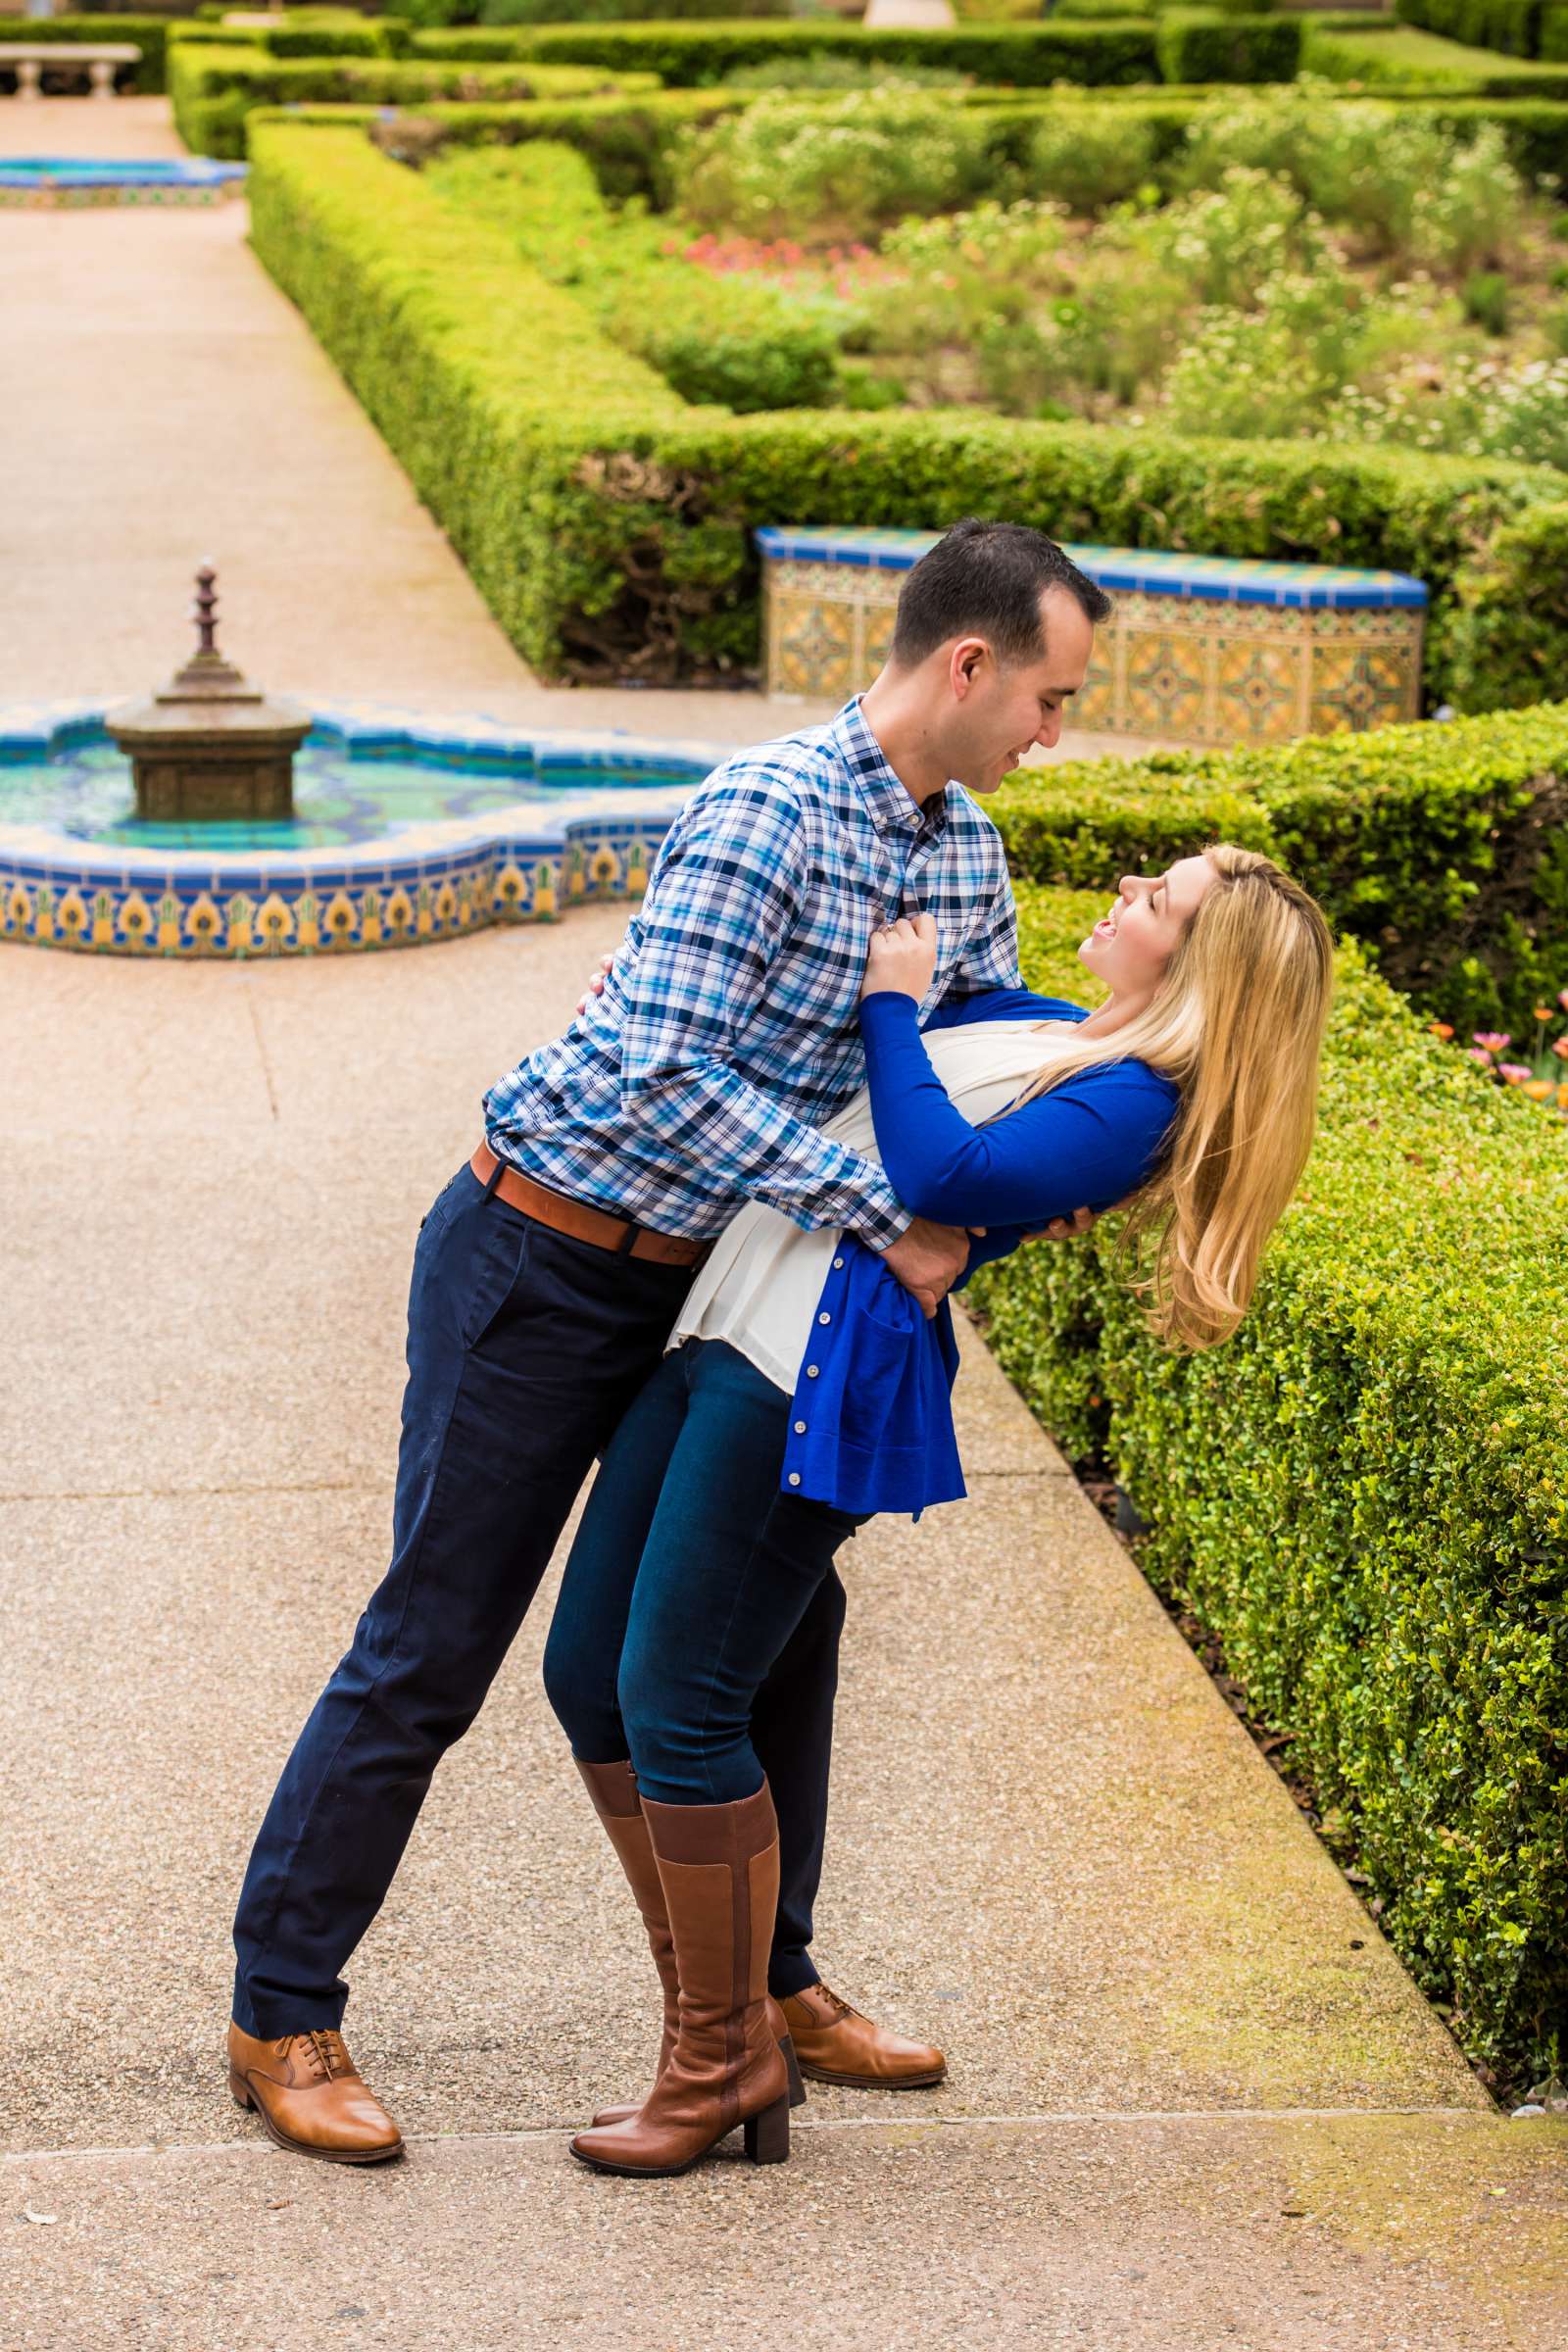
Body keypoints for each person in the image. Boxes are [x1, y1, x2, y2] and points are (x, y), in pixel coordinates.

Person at [224, 519, 1112, 2164]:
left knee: (778, 1621)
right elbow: (664, 1078)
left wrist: (1126, 1094)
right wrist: (882, 1205)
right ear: (969, 665)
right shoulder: (769, 812)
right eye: (1050, 696)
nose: (1059, 730)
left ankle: (771, 1989)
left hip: (724, 1284)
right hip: (547, 1258)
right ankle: (282, 2008)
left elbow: (984, 1050)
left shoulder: (965, 849)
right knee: (438, 1639)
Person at [542, 842, 1337, 2179]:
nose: (1131, 893)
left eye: (1164, 902)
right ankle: (751, 2014)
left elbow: (944, 1177)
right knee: (589, 1677)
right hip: (723, 1327)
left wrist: (896, 1008)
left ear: (1199, 967)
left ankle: (716, 2055)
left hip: (808, 1374)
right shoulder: (1053, 1030)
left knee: (679, 1704)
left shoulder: (1133, 1102)